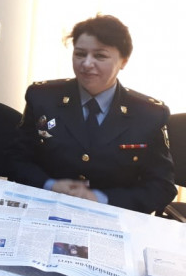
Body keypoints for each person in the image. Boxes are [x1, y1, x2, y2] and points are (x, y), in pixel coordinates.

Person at [9, 14, 177, 214]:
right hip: (45, 207)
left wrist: (101, 199)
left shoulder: (148, 114)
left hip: (112, 215)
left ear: (123, 61)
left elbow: (161, 186)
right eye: (80, 54)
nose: (87, 64)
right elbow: (17, 160)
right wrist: (50, 185)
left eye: (100, 56)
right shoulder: (43, 98)